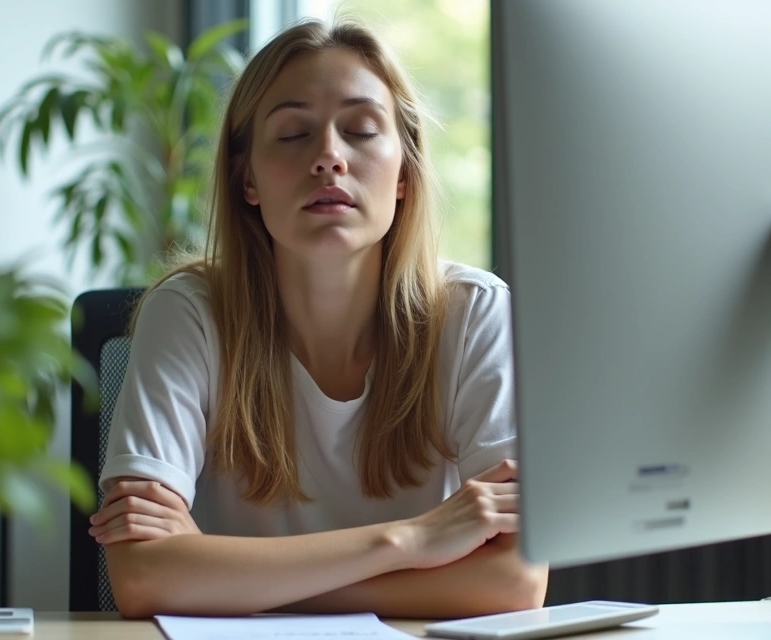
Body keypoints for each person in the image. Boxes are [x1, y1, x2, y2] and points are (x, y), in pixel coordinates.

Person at [89, 17, 549, 619]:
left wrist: (228, 580)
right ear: (247, 179)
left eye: (361, 131)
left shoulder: (473, 314)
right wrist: (409, 541)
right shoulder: (188, 313)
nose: (329, 157)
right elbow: (143, 577)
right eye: (292, 134)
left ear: (405, 173)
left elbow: (515, 583)